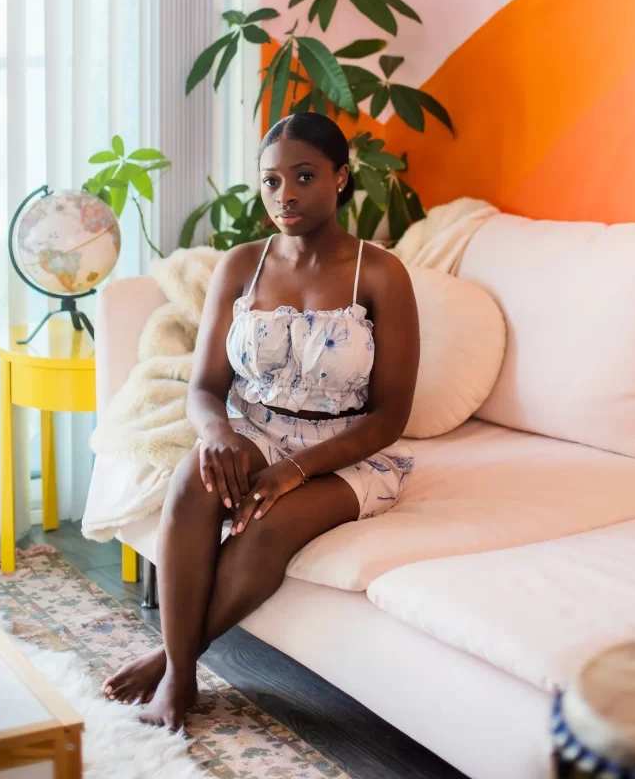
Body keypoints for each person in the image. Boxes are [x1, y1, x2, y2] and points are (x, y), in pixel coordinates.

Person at [103, 112, 420, 729]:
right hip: (252, 426)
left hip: (346, 449)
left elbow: (391, 416)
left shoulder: (380, 273)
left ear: (340, 176)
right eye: (271, 181)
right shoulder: (241, 264)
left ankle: (171, 658)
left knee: (268, 527)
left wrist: (293, 472)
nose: (286, 195)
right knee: (194, 480)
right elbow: (204, 387)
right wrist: (218, 433)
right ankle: (185, 680)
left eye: (304, 176)